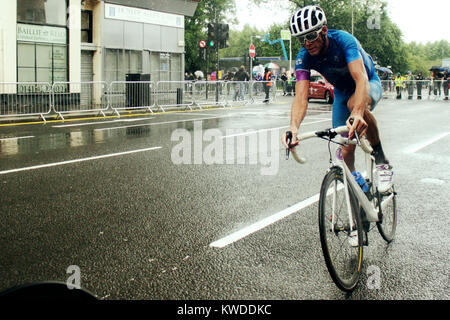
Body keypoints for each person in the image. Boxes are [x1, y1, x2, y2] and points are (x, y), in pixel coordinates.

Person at [281, 5, 393, 193]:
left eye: (310, 36)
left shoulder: (344, 41)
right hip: (342, 91)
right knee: (343, 149)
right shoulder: (303, 57)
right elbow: (301, 97)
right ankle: (360, 192)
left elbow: (361, 78)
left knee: (354, 106)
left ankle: (382, 162)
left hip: (366, 83)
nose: (307, 43)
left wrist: (357, 112)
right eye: (302, 39)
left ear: (324, 30)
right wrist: (293, 127)